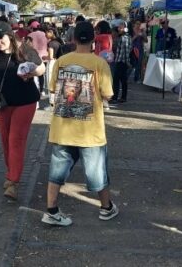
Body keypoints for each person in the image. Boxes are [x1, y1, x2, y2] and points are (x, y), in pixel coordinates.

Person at [43, 21, 118, 226]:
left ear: (73, 39)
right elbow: (108, 94)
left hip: (62, 126)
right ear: (94, 39)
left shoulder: (61, 61)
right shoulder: (99, 63)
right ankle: (106, 207)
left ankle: (51, 210)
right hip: (89, 129)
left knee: (56, 171)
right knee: (97, 170)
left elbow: (51, 89)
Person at [0, 21, 45, 200]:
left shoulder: (25, 50)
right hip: (2, 104)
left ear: (10, 36)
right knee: (5, 140)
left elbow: (41, 68)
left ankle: (13, 182)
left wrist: (31, 73)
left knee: (15, 139)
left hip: (25, 102)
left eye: (1, 38)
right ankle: (11, 171)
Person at [110, 23, 131, 103]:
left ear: (125, 29)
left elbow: (125, 51)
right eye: (119, 28)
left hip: (121, 61)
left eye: (121, 28)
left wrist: (127, 62)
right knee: (123, 80)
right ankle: (123, 97)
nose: (119, 29)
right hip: (121, 61)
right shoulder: (126, 37)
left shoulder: (124, 38)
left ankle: (115, 98)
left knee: (116, 80)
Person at [27, 21, 49, 94]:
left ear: (32, 28)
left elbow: (27, 46)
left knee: (33, 73)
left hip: (33, 56)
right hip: (44, 56)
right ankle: (42, 90)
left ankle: (34, 89)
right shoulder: (44, 34)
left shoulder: (30, 35)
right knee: (41, 74)